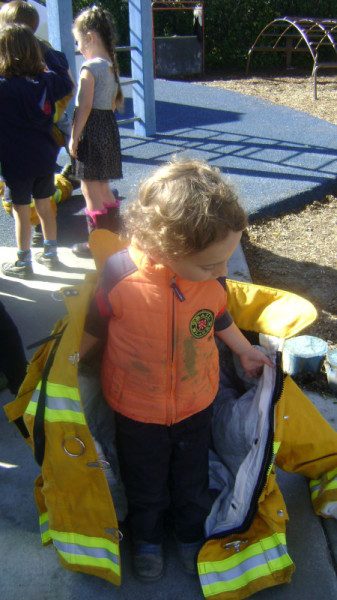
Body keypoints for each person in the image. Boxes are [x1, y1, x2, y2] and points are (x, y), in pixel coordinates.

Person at [80, 158, 273, 581]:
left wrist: (243, 350)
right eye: (211, 264)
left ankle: (189, 532)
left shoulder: (210, 280)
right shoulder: (120, 275)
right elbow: (96, 322)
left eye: (225, 261)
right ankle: (146, 536)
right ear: (167, 248)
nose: (223, 272)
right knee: (144, 478)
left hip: (195, 400)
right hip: (135, 406)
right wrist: (76, 362)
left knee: (191, 477)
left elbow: (218, 316)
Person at [0, 0, 76, 248]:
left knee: (19, 208)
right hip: (43, 154)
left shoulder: (4, 86)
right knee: (44, 203)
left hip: (14, 162)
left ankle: (24, 259)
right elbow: (66, 83)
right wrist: (43, 67)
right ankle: (50, 251)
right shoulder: (45, 80)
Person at [69, 4, 123, 258]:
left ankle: (97, 244)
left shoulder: (89, 69)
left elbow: (84, 106)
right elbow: (111, 104)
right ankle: (114, 236)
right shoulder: (111, 65)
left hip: (92, 131)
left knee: (89, 189)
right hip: (108, 131)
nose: (79, 47)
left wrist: (74, 136)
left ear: (89, 37)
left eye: (79, 41)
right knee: (103, 187)